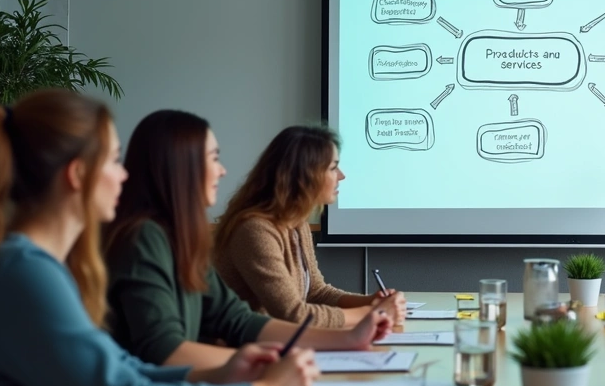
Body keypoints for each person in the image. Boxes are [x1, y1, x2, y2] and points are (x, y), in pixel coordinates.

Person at [0, 91, 318, 386]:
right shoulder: (22, 274)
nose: (124, 174)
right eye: (115, 161)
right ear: (78, 174)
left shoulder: (35, 266)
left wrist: (220, 375)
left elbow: (123, 373)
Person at [104, 110, 394, 370]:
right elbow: (163, 351)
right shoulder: (145, 239)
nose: (222, 170)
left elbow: (239, 319)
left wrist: (349, 338)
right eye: (214, 158)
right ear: (180, 167)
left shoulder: (180, 238)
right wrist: (264, 364)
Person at [213, 125, 406, 327]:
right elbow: (293, 314)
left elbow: (316, 291)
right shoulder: (254, 230)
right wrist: (373, 313)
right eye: (333, 168)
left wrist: (370, 302)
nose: (341, 176)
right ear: (304, 175)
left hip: (273, 345)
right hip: (238, 351)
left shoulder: (297, 223)